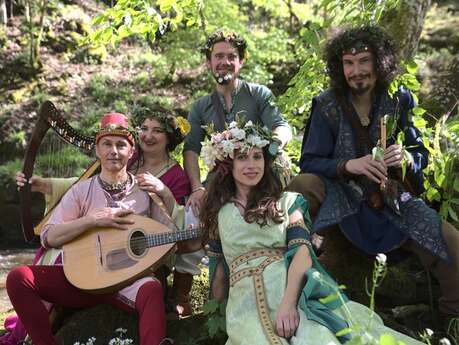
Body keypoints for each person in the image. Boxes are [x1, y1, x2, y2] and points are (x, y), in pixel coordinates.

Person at [290, 25, 459, 321]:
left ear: (379, 61)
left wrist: (405, 157)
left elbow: (419, 153)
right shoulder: (327, 104)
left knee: (451, 243)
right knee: (300, 186)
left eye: (364, 61)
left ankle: (451, 320)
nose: (356, 70)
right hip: (341, 196)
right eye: (349, 63)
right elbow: (310, 162)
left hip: (391, 200)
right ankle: (294, 264)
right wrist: (347, 165)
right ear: (339, 66)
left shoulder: (399, 98)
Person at [199, 122, 424, 344]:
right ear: (229, 163)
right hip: (244, 308)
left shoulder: (287, 202)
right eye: (242, 157)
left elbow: (302, 252)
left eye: (257, 157)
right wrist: (216, 315)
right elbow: (218, 270)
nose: (251, 165)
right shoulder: (218, 212)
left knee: (317, 337)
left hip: (290, 294)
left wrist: (289, 305)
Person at [5, 112, 176, 345]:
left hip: (127, 282)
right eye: (106, 144)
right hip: (79, 281)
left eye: (120, 145)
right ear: (97, 150)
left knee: (152, 289)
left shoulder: (145, 192)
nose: (113, 151)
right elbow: (49, 236)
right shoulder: (81, 191)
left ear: (132, 151)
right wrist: (91, 220)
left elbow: (172, 236)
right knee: (19, 278)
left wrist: (166, 195)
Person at [183, 29, 292, 216]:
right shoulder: (200, 107)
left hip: (260, 173)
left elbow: (281, 126)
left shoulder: (258, 94)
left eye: (231, 57)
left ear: (241, 62)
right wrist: (196, 188)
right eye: (218, 56)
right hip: (222, 179)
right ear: (208, 62)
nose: (224, 62)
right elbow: (191, 150)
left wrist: (273, 147)